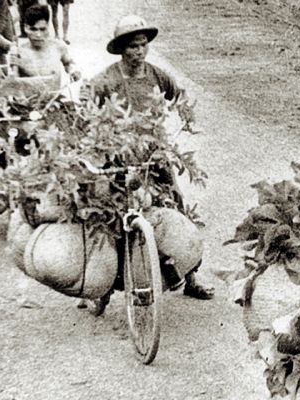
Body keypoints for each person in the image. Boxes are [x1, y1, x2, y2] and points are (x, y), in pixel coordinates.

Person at [80, 15, 214, 316]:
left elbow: (179, 96)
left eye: (143, 45)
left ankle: (191, 276)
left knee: (175, 208)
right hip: (119, 160)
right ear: (121, 50)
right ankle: (100, 290)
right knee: (109, 219)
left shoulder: (157, 76)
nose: (139, 52)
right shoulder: (107, 80)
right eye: (132, 46)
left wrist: (183, 118)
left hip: (154, 157)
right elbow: (85, 104)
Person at [13, 5, 80, 89]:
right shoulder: (19, 52)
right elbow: (13, 83)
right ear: (26, 28)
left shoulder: (58, 47)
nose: (38, 34)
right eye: (33, 29)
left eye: (42, 29)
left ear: (48, 27)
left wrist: (73, 71)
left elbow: (69, 63)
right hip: (27, 100)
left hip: (54, 98)